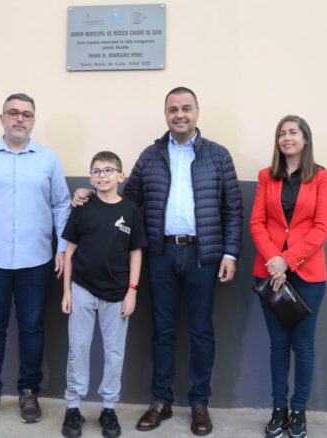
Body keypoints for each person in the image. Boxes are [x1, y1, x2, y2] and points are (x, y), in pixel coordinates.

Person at [73, 87, 243, 436]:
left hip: (203, 255)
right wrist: (92, 192)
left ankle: (199, 403)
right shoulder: (151, 156)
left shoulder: (218, 156)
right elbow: (127, 198)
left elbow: (233, 208)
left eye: (185, 108)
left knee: (201, 330)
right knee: (162, 330)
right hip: (161, 254)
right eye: (172, 110)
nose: (179, 115)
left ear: (197, 112)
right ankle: (162, 400)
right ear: (165, 114)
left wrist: (230, 253)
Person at [0, 93, 71, 425]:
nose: (20, 119)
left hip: (36, 261)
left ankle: (29, 392)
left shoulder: (48, 160)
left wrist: (62, 248)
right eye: (13, 113)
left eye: (27, 114)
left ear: (34, 120)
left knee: (32, 328)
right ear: (2, 118)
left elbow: (61, 206)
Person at [249, 115, 327, 438]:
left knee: (304, 345)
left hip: (308, 275)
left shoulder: (323, 178)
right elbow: (257, 222)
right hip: (270, 274)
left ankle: (299, 410)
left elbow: (322, 227)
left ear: (305, 139)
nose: (287, 138)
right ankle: (278, 410)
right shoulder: (265, 177)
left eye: (293, 132)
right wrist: (274, 263)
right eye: (282, 133)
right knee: (278, 346)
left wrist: (287, 261)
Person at [60, 151, 147, 438]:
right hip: (82, 289)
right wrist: (67, 291)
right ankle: (73, 407)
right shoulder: (82, 206)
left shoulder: (132, 210)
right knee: (79, 348)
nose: (102, 175)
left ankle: (108, 407)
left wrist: (132, 291)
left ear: (121, 176)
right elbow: (70, 250)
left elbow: (135, 252)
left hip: (118, 293)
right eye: (96, 171)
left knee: (114, 352)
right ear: (90, 177)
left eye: (108, 170)